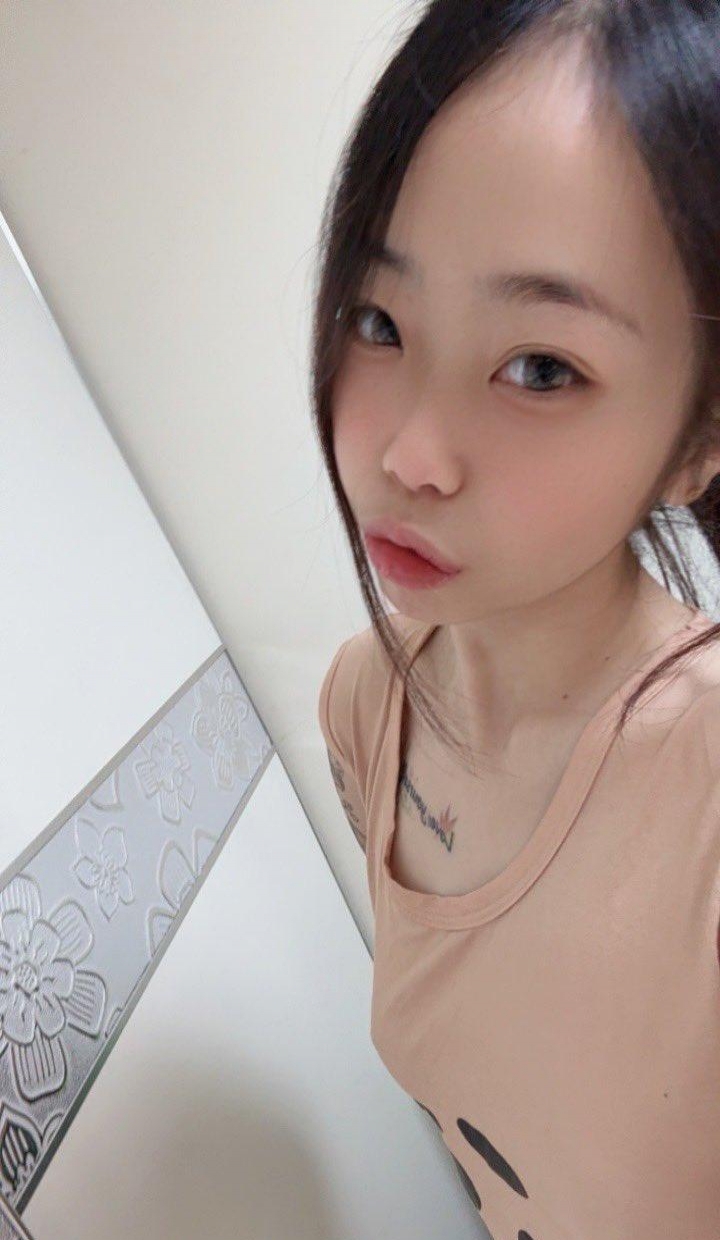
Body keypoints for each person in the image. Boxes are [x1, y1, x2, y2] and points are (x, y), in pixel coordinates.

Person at [315, 3, 720, 1236]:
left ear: (698, 438)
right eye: (380, 321)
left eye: (542, 368)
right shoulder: (367, 701)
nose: (410, 453)